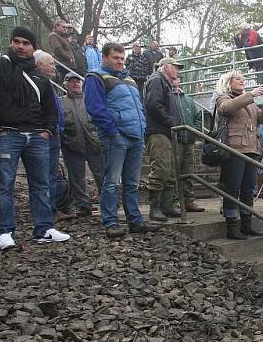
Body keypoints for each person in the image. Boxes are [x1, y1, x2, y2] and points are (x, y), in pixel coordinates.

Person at [0, 26, 70, 249]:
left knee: (41, 184)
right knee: (4, 185)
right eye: (17, 41)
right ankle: (4, 231)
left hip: (37, 136)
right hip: (7, 134)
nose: (21, 46)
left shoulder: (39, 75)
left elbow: (50, 106)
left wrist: (47, 130)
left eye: (26, 43)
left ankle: (44, 228)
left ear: (33, 47)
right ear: (11, 43)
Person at [85, 42, 159, 238]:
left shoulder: (130, 80)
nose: (119, 62)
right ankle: (110, 221)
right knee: (111, 182)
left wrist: (142, 128)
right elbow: (95, 108)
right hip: (116, 137)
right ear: (104, 57)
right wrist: (113, 132)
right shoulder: (96, 77)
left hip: (135, 135)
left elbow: (139, 107)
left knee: (132, 182)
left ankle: (135, 220)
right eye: (115, 58)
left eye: (122, 58)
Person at [214, 71, 263, 239]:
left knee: (248, 189)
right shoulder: (223, 98)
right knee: (232, 188)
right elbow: (227, 108)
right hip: (234, 149)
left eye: (243, 79)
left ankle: (247, 224)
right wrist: (250, 94)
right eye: (237, 78)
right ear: (228, 82)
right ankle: (231, 226)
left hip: (251, 149)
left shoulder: (250, 102)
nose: (242, 81)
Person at [144, 57, 185, 221]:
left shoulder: (164, 83)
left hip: (166, 132)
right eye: (175, 67)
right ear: (166, 67)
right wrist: (171, 121)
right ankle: (155, 208)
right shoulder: (156, 81)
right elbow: (154, 105)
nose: (178, 71)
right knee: (161, 168)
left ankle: (167, 206)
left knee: (169, 171)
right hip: (158, 131)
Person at [60, 71, 103, 217]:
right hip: (72, 145)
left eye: (78, 81)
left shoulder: (91, 99)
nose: (75, 84)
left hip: (94, 143)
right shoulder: (60, 102)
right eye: (71, 81)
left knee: (102, 174)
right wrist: (64, 140)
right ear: (65, 85)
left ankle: (108, 201)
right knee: (76, 178)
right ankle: (83, 206)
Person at [33, 50, 68, 218]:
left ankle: (52, 209)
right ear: (39, 65)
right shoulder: (35, 83)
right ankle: (45, 212)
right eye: (51, 63)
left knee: (52, 174)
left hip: (54, 133)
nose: (54, 66)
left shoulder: (49, 84)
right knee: (43, 175)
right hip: (43, 134)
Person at [172, 76, 205, 212]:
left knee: (188, 172)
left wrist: (195, 130)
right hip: (174, 140)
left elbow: (198, 117)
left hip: (189, 140)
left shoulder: (188, 99)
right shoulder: (168, 96)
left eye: (179, 76)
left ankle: (188, 200)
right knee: (174, 172)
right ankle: (174, 202)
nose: (177, 78)